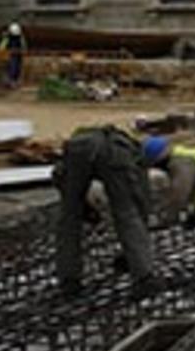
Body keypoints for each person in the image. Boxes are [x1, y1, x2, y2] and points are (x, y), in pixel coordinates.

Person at [53, 126, 160, 299]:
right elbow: (139, 199)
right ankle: (144, 278)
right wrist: (143, 228)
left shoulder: (78, 143)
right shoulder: (131, 153)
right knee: (127, 214)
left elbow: (60, 179)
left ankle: (68, 280)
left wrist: (83, 209)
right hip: (114, 152)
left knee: (68, 219)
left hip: (78, 151)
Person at [0, 22, 27, 88]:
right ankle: (9, 81)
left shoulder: (20, 38)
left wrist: (23, 51)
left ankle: (14, 81)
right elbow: (2, 47)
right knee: (10, 68)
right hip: (9, 56)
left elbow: (23, 46)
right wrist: (2, 53)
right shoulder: (7, 38)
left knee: (17, 68)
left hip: (17, 55)